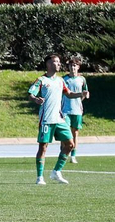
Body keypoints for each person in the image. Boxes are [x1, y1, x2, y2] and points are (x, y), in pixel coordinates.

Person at [29, 54, 78, 184]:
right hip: (46, 119)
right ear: (48, 64)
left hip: (59, 119)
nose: (59, 64)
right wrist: (36, 99)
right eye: (55, 62)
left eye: (59, 62)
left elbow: (69, 94)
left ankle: (56, 172)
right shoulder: (41, 80)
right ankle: (40, 177)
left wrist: (81, 94)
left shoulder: (60, 80)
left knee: (70, 144)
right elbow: (31, 94)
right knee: (43, 147)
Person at [61, 58, 89, 163]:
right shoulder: (64, 79)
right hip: (65, 110)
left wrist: (83, 97)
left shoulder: (82, 79)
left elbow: (85, 92)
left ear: (78, 67)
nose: (72, 67)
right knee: (65, 133)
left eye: (74, 65)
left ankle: (73, 155)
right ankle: (63, 153)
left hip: (77, 110)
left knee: (75, 133)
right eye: (71, 65)